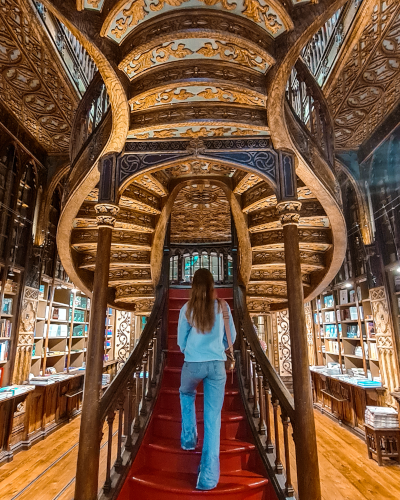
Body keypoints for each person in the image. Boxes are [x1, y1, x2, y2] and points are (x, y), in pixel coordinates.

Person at [177, 268, 236, 491]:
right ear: (212, 286)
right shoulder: (222, 307)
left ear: (193, 287)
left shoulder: (187, 308)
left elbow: (181, 339)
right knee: (213, 418)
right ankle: (208, 478)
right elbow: (231, 335)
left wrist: (190, 351)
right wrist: (217, 348)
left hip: (193, 363)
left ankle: (189, 438)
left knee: (186, 393)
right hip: (217, 365)